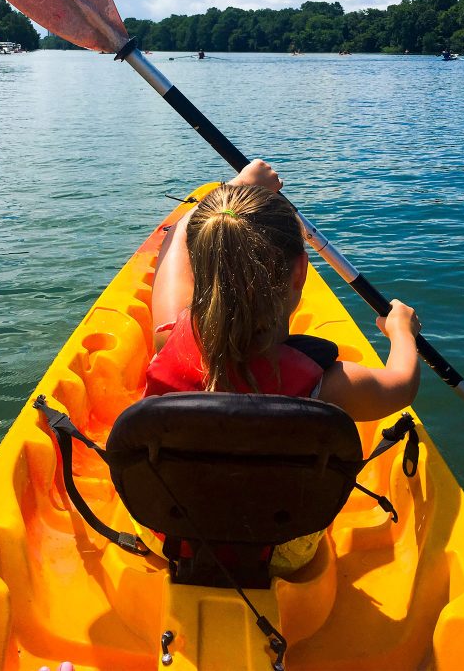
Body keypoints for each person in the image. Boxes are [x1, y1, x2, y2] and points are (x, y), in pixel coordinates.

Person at [146, 160, 421, 573]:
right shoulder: (327, 386)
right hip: (280, 551)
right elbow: (401, 384)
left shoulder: (170, 336)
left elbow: (178, 246)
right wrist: (402, 332)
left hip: (170, 532)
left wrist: (236, 188)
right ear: (300, 273)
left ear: (202, 271)